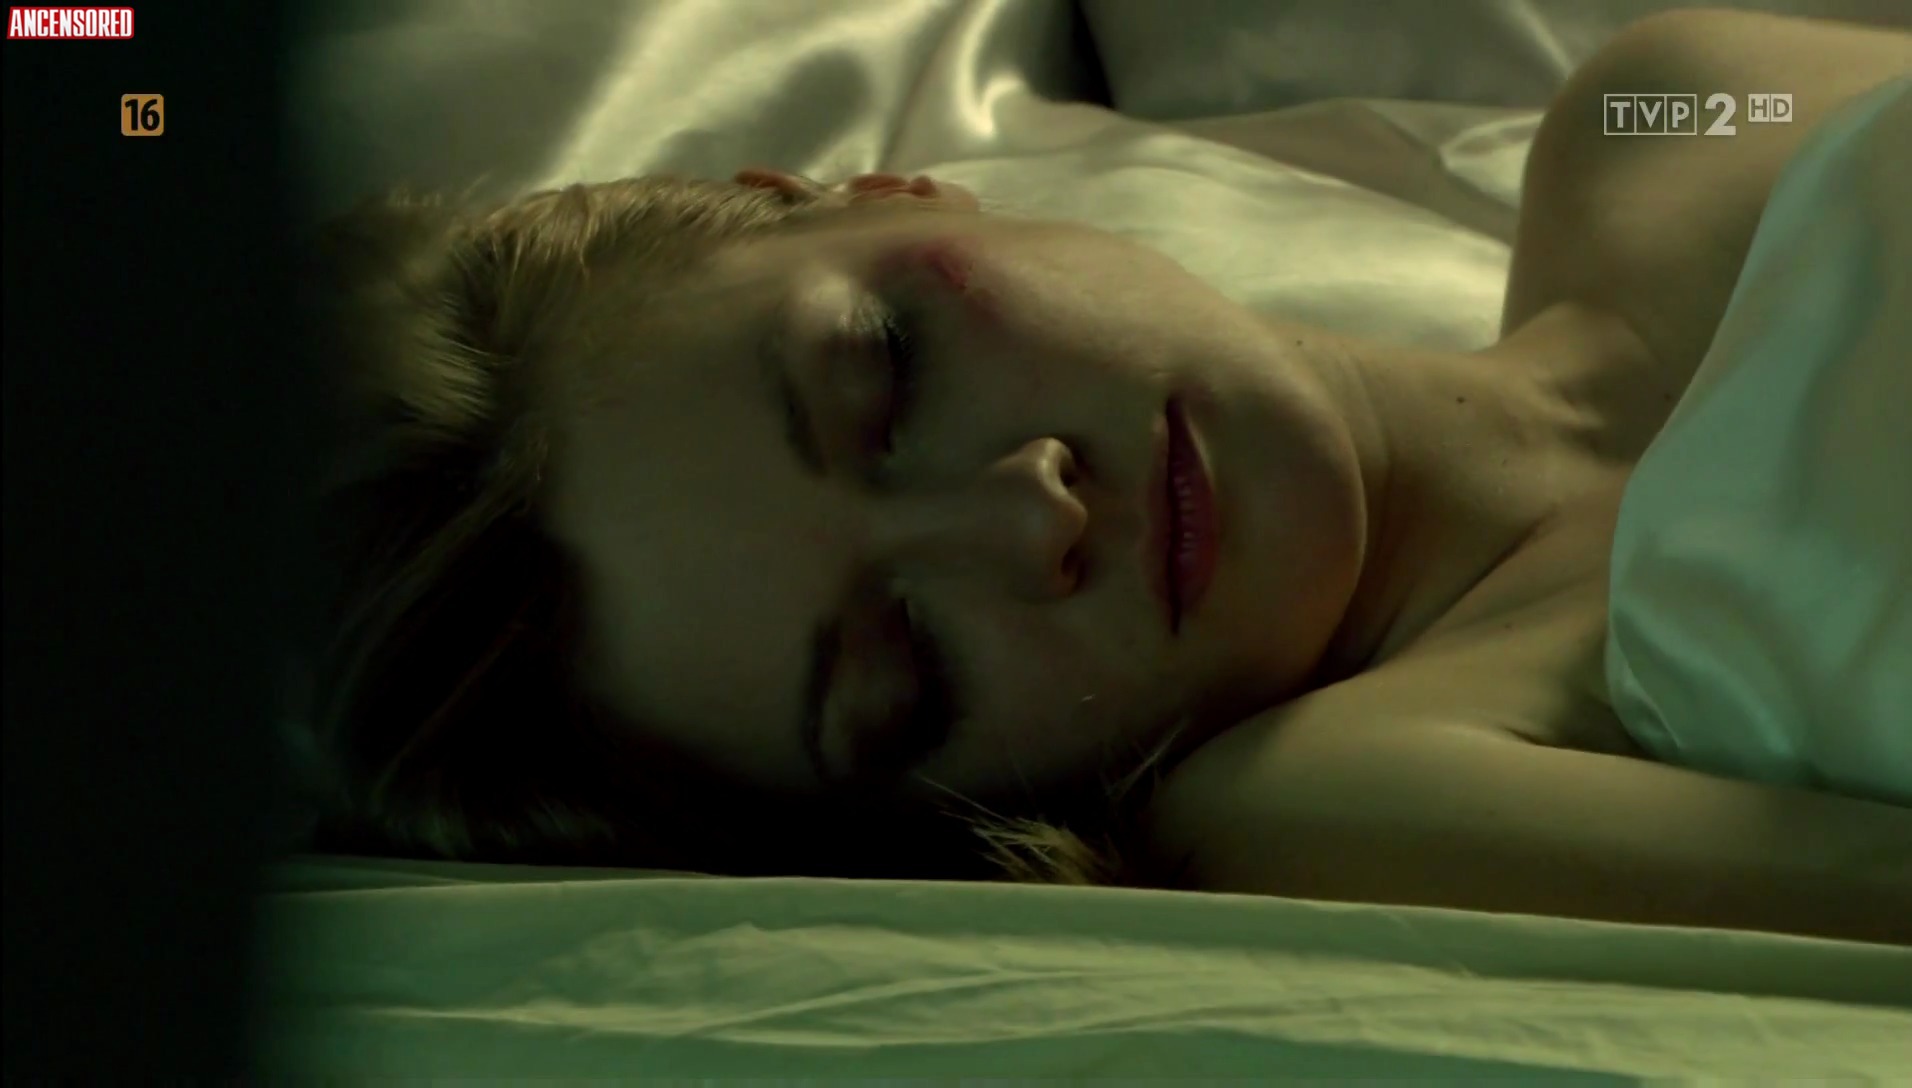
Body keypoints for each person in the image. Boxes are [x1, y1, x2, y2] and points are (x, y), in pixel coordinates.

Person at [303, 9, 1912, 942]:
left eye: (887, 373)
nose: (1030, 513)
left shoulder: (1658, 99)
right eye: (907, 668)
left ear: (880, 192)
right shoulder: (1333, 800)